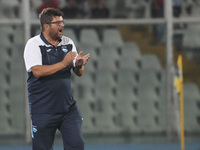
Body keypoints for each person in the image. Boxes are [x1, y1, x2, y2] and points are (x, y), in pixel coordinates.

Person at [23, 8, 90, 150]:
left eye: (62, 21)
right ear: (46, 26)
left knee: (77, 146)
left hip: (68, 109)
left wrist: (78, 65)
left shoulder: (68, 42)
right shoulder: (33, 44)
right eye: (58, 22)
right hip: (43, 110)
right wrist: (64, 63)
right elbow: (37, 71)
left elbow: (79, 73)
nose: (62, 25)